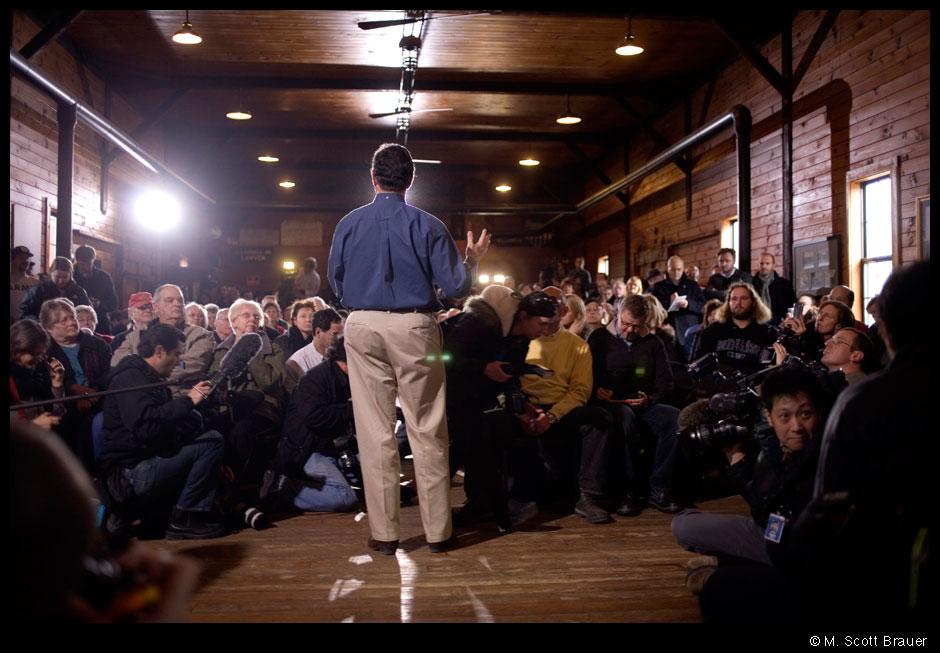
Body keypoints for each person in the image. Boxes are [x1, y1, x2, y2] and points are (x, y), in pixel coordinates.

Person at [328, 142, 490, 554]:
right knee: (427, 428)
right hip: (414, 325)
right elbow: (456, 288)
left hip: (362, 322)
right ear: (411, 179)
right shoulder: (429, 225)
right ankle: (439, 533)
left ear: (373, 177)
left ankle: (384, 535)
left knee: (375, 431)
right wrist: (471, 260)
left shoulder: (349, 223)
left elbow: (336, 282)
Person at [671, 365, 829, 592]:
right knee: (683, 525)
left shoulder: (830, 449)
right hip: (776, 535)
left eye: (805, 414)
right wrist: (734, 456)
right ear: (769, 417)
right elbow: (762, 509)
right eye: (785, 416)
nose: (796, 427)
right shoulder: (771, 446)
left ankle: (738, 568)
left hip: (815, 549)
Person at [444, 287, 561, 529]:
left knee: (484, 445)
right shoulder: (478, 323)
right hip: (449, 395)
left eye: (549, 324)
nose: (545, 331)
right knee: (454, 452)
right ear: (524, 316)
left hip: (479, 399)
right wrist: (483, 367)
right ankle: (435, 513)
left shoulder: (523, 338)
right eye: (541, 323)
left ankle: (480, 507)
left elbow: (511, 372)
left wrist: (522, 406)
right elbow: (445, 357)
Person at [98, 322, 226, 540]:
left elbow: (161, 421)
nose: (178, 361)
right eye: (176, 354)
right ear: (159, 351)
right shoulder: (131, 378)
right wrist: (187, 402)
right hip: (132, 472)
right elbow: (145, 428)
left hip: (140, 464)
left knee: (202, 437)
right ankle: (185, 518)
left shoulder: (147, 378)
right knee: (212, 442)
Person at [589, 295, 681, 516]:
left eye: (636, 327)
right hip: (611, 405)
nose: (630, 330)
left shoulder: (653, 343)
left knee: (675, 419)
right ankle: (627, 490)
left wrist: (650, 398)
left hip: (645, 404)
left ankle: (659, 488)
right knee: (624, 417)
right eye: (626, 324)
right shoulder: (599, 338)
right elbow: (584, 377)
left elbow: (666, 384)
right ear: (617, 314)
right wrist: (596, 390)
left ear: (645, 323)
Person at [263, 336, 360, 513]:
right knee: (343, 497)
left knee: (379, 474)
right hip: (310, 450)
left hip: (339, 448)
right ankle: (282, 489)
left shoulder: (350, 377)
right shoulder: (315, 379)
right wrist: (350, 406)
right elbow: (315, 418)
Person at [209, 298, 287, 481]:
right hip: (228, 408)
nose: (252, 319)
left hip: (263, 409)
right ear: (233, 321)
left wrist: (250, 350)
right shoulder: (220, 352)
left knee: (240, 432)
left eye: (256, 316)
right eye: (246, 315)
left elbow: (269, 383)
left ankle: (237, 485)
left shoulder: (273, 349)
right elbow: (214, 382)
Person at [111, 284, 215, 396]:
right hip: (136, 398)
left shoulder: (200, 335)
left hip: (177, 399)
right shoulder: (137, 336)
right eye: (169, 300)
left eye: (180, 300)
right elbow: (117, 363)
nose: (177, 304)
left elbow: (188, 368)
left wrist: (139, 371)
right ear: (156, 307)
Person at [697, 282, 776, 377]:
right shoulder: (713, 330)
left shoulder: (767, 333)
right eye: (734, 299)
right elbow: (700, 364)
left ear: (754, 302)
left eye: (743, 298)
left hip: (753, 387)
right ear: (728, 303)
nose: (738, 303)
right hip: (719, 387)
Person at [10, 318, 66, 432]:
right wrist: (32, 426)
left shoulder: (38, 373)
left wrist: (57, 385)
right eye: (35, 354)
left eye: (42, 354)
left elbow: (54, 414)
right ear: (17, 349)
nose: (40, 359)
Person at [650, 255, 706, 348]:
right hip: (668, 330)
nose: (676, 272)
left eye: (679, 269)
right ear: (667, 269)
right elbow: (654, 309)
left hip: (690, 328)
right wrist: (669, 303)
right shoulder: (659, 287)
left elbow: (703, 306)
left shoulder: (693, 285)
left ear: (683, 269)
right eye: (673, 269)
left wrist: (688, 304)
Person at [285, 307, 343, 393]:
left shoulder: (343, 357)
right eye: (334, 334)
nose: (339, 339)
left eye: (341, 335)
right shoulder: (296, 363)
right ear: (318, 332)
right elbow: (295, 401)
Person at [19, 257, 90, 321]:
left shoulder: (79, 291)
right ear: (50, 273)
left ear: (70, 275)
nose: (61, 281)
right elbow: (24, 314)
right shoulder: (38, 290)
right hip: (44, 331)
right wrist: (42, 323)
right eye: (57, 276)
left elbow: (88, 311)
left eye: (65, 277)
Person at [72, 245, 118, 336]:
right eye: (82, 264)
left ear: (93, 261)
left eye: (88, 264)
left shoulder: (104, 277)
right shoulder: (71, 278)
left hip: (100, 325)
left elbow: (114, 303)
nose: (86, 268)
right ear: (77, 261)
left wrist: (100, 304)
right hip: (75, 324)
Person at [750, 252, 797, 325]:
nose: (764, 266)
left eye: (767, 263)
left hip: (779, 324)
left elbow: (792, 304)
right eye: (761, 263)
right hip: (756, 324)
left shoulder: (784, 284)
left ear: (773, 265)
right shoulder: (751, 285)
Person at [11, 245, 39, 325]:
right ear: (12, 259)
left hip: (29, 326)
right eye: (21, 258)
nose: (25, 261)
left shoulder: (35, 283)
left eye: (27, 258)